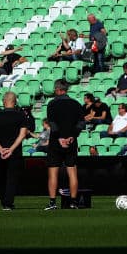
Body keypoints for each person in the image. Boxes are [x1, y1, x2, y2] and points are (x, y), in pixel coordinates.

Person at [44, 79, 83, 211]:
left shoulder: (52, 104)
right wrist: (72, 135)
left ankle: (52, 202)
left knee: (53, 172)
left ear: (58, 89)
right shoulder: (76, 104)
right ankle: (73, 202)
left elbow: (53, 123)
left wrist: (60, 137)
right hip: (72, 141)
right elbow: (81, 123)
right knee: (72, 171)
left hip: (56, 141)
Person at [0, 91, 29, 210]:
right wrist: (11, 149)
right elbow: (22, 135)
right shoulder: (21, 116)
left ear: (3, 102)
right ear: (15, 102)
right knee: (12, 177)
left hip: (0, 152)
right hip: (14, 152)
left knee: (1, 177)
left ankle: (3, 199)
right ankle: (8, 203)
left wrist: (0, 149)